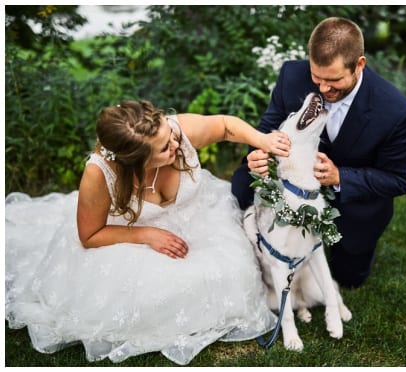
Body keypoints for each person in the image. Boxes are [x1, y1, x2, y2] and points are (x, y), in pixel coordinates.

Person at [5, 100, 288, 364]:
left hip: (198, 219)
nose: (176, 143)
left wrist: (262, 140)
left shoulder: (175, 133)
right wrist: (146, 235)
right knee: (148, 294)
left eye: (171, 134)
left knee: (232, 272)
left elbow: (226, 126)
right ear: (136, 161)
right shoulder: (100, 173)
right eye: (165, 148)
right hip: (125, 234)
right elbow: (89, 236)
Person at [231, 17, 406, 289]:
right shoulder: (292, 75)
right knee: (240, 188)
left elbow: (398, 179)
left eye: (333, 80)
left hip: (350, 204)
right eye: (316, 77)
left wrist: (339, 176)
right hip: (289, 183)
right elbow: (267, 129)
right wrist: (260, 151)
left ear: (359, 65)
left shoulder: (396, 112)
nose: (322, 88)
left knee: (348, 278)